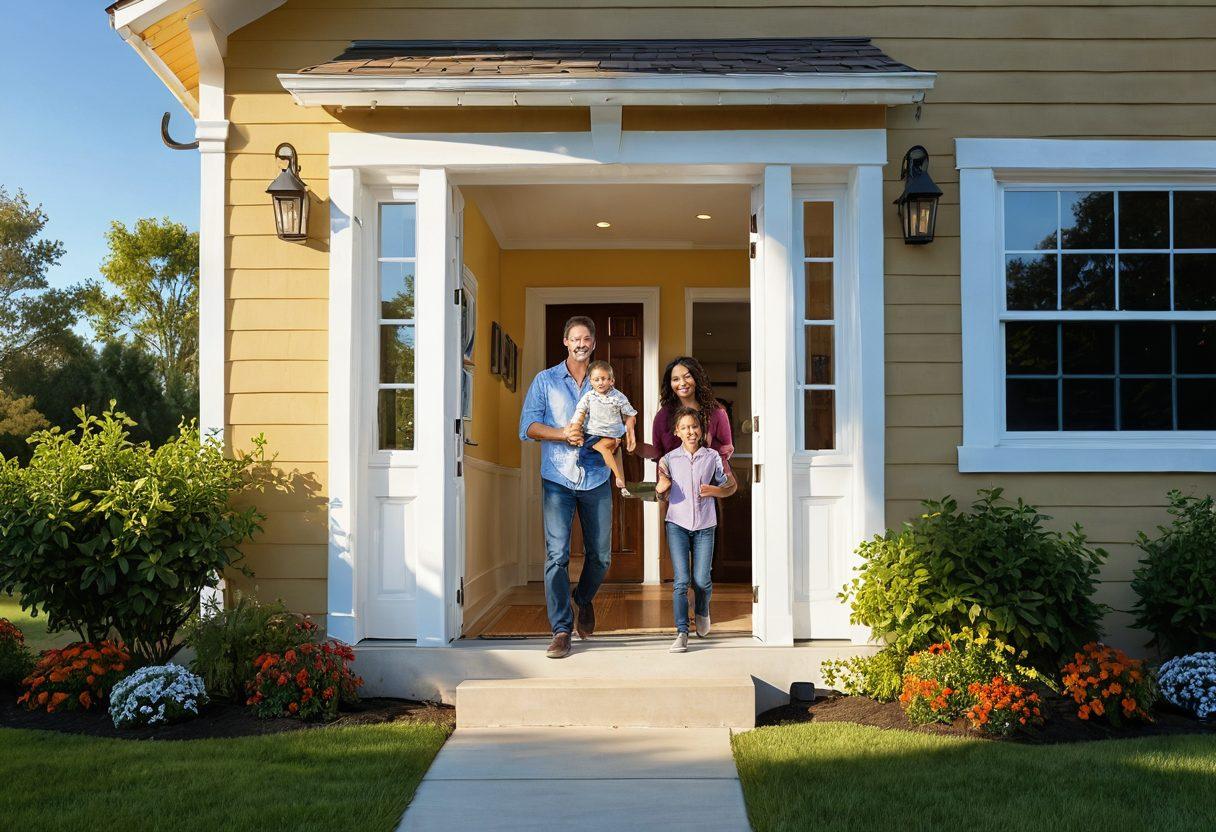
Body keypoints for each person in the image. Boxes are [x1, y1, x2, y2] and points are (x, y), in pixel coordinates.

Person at [518, 315, 611, 659]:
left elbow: (616, 424)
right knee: (557, 556)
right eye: (575, 338)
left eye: (587, 338)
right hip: (557, 477)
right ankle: (561, 629)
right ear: (565, 342)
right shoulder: (545, 381)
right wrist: (563, 434)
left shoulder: (605, 382)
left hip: (596, 477)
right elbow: (527, 427)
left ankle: (583, 598)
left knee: (601, 556)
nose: (581, 344)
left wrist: (612, 439)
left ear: (594, 344)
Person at [656, 406, 735, 653]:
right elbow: (660, 493)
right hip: (677, 524)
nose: (691, 431)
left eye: (695, 427)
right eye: (685, 427)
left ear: (701, 430)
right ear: (677, 431)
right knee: (681, 581)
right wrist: (660, 488)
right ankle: (682, 632)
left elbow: (726, 485)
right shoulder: (668, 459)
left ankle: (702, 610)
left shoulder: (712, 457)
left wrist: (715, 491)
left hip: (705, 525)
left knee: (701, 579)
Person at [634, 356, 734, 468]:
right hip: (673, 482)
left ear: (697, 378)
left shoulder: (717, 413)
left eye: (687, 377)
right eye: (675, 379)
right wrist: (633, 446)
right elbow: (658, 453)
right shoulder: (663, 416)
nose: (682, 383)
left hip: (708, 481)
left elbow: (726, 450)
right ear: (670, 383)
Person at [569, 360, 637, 494]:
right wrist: (576, 426)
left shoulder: (618, 397)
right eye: (596, 379)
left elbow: (630, 415)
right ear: (590, 381)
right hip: (593, 433)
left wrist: (631, 433)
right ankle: (618, 480)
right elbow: (580, 412)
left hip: (613, 434)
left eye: (604, 379)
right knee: (595, 452)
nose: (600, 382)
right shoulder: (588, 397)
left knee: (610, 450)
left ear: (611, 380)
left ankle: (620, 480)